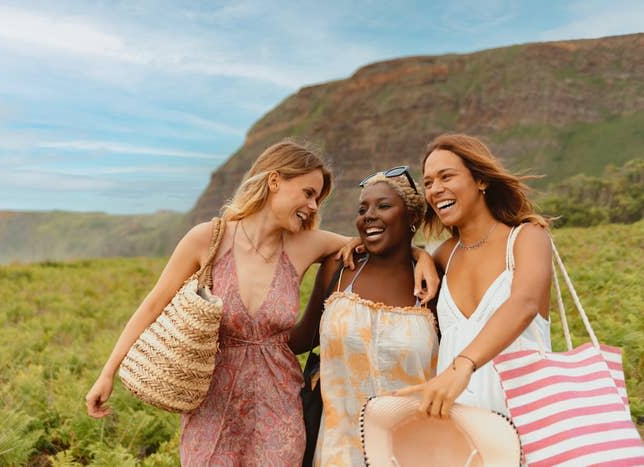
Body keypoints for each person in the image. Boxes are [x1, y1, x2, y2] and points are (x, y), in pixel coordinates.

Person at [85, 140, 439, 466]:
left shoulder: (306, 244)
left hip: (279, 406)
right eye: (308, 193)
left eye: (317, 198)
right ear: (274, 181)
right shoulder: (208, 238)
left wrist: (421, 255)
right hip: (212, 407)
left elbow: (381, 242)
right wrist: (107, 373)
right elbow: (152, 305)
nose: (313, 206)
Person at [290, 167, 440, 466]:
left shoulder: (432, 281)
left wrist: (420, 254)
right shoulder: (339, 269)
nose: (368, 215)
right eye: (362, 209)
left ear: (412, 218)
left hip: (415, 453)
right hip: (339, 452)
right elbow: (303, 337)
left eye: (383, 206)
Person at [395, 133, 552, 418]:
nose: (435, 189)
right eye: (428, 183)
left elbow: (524, 304)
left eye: (446, 177)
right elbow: (390, 253)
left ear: (481, 180)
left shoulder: (527, 237)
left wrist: (463, 364)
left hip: (524, 422)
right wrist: (422, 256)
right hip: (458, 426)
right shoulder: (444, 254)